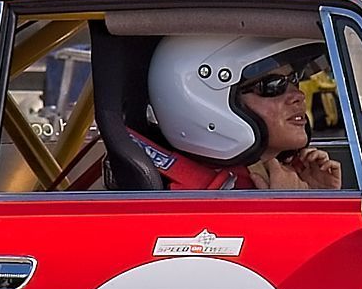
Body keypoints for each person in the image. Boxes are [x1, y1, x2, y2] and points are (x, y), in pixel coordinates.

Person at [144, 35, 342, 190]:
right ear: (209, 103)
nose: (299, 95)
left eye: (294, 79)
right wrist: (289, 212)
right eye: (273, 85)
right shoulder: (195, 203)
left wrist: (320, 197)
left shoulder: (280, 180)